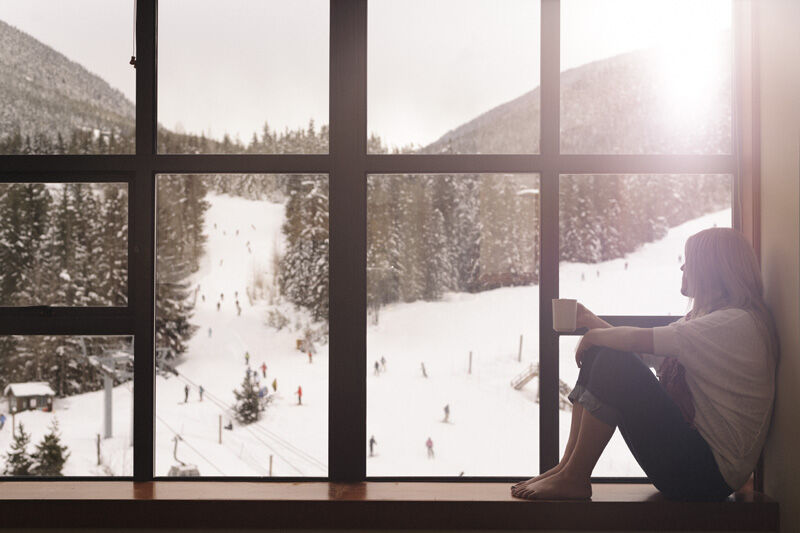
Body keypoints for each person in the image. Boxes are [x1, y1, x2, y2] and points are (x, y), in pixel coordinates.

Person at [512, 228, 778, 502]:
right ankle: (568, 467)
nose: (683, 266)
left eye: (690, 261)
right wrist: (593, 324)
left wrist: (594, 335)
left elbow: (639, 343)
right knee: (606, 352)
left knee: (612, 357)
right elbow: (647, 356)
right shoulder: (708, 319)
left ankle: (574, 476)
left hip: (706, 477)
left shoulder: (734, 323)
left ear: (712, 270)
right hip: (694, 465)